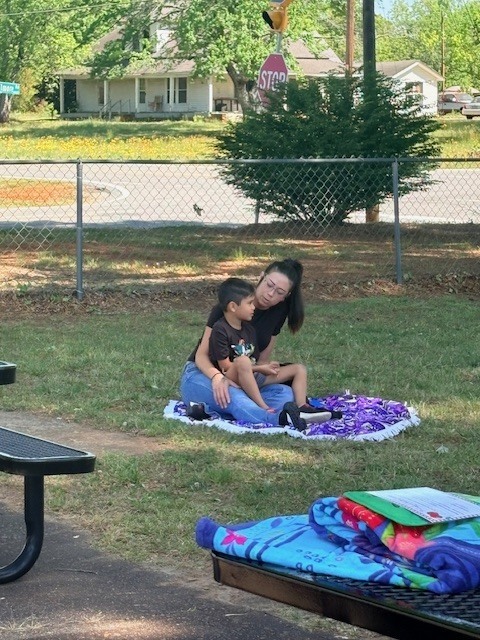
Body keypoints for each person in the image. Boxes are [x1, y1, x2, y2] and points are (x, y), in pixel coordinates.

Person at [180, 258, 338, 429]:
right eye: (269, 285)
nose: (270, 294)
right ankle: (281, 419)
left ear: (286, 296)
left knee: (285, 394)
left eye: (279, 292)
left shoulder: (279, 312)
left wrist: (266, 369)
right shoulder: (229, 307)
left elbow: (260, 361)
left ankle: (208, 409)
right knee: (234, 396)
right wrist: (217, 378)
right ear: (261, 277)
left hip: (243, 377)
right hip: (203, 375)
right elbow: (201, 356)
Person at [208, 277, 328, 430]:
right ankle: (263, 407)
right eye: (249, 303)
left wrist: (267, 366)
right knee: (243, 361)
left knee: (299, 369)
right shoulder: (220, 329)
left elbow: (255, 360)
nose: (253, 307)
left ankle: (303, 407)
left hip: (253, 376)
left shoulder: (249, 330)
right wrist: (258, 368)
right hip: (233, 377)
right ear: (233, 306)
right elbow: (225, 367)